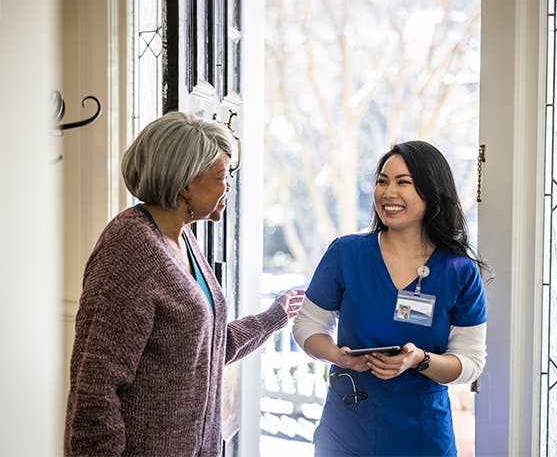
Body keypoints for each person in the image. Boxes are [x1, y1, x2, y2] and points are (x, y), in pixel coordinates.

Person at [64, 111, 304, 457]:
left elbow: (204, 348)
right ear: (186, 183)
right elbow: (96, 388)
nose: (229, 187)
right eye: (221, 176)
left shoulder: (183, 240)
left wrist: (274, 316)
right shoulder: (129, 247)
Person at [292, 141, 487, 456]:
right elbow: (307, 326)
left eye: (403, 182)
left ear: (431, 192)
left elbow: (470, 363)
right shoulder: (346, 253)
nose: (387, 192)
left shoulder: (458, 271)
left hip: (422, 436)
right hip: (346, 432)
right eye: (382, 181)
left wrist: (419, 360)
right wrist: (336, 355)